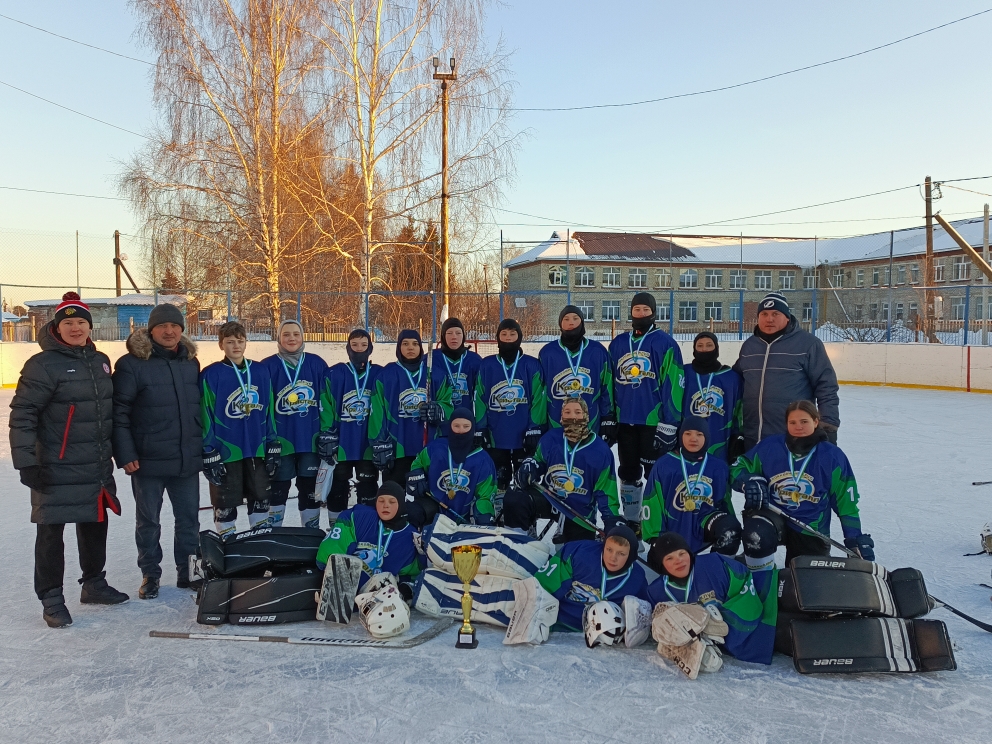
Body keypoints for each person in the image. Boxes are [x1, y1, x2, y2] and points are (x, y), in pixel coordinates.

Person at [9, 292, 128, 628]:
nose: (75, 328)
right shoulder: (42, 365)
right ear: (57, 328)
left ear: (90, 326)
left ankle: (94, 584)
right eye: (68, 323)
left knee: (95, 523)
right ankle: (51, 599)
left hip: (95, 462)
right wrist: (26, 462)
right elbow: (23, 414)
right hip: (54, 465)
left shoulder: (100, 360)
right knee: (51, 532)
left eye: (81, 322)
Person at [112, 302, 202, 600]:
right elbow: (119, 413)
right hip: (147, 460)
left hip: (185, 458)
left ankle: (189, 571)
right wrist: (125, 454)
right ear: (151, 330)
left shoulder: (190, 362)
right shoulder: (131, 364)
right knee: (148, 521)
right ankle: (150, 573)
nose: (169, 331)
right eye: (162, 326)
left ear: (182, 330)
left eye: (175, 325)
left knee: (188, 520)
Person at [730, 400, 874, 571]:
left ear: (816, 421)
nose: (798, 426)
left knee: (806, 578)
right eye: (792, 422)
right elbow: (736, 468)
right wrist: (747, 480)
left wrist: (854, 539)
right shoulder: (770, 447)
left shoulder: (832, 456)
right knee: (756, 536)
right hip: (772, 514)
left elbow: (846, 504)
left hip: (810, 526)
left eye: (804, 421)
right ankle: (763, 580)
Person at [607, 292, 684, 528]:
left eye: (646, 310)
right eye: (637, 309)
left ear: (654, 313)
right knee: (628, 472)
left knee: (655, 474)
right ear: (631, 312)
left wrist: (670, 422)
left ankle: (657, 523)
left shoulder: (665, 343)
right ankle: (632, 521)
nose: (641, 314)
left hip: (654, 422)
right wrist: (609, 417)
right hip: (625, 421)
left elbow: (674, 384)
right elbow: (608, 382)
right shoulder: (618, 343)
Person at [646, 532, 777, 665]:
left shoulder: (713, 564)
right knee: (787, 632)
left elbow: (744, 578)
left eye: (682, 553)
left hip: (767, 596)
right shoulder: (656, 593)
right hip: (759, 635)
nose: (678, 560)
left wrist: (724, 621)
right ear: (661, 564)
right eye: (669, 558)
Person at [199, 321, 280, 536]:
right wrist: (209, 449)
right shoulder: (211, 374)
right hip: (226, 450)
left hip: (257, 449)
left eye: (240, 341)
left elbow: (270, 409)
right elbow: (205, 413)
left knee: (261, 499)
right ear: (221, 345)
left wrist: (272, 441)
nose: (236, 346)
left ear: (246, 343)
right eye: (230, 342)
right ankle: (227, 545)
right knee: (225, 504)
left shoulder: (261, 371)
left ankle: (259, 545)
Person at [503, 398, 622, 541]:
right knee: (515, 498)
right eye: (567, 412)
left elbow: (606, 492)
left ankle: (566, 534)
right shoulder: (551, 438)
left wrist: (611, 519)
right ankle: (517, 543)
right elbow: (538, 460)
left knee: (575, 552)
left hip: (578, 511)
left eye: (577, 412)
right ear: (561, 416)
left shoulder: (601, 451)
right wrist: (530, 466)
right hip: (550, 498)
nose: (572, 417)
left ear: (586, 415)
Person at [733, 292, 840, 450]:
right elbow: (734, 381)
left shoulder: (808, 344)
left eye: (776, 314)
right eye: (764, 314)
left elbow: (826, 386)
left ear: (787, 317)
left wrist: (828, 426)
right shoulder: (750, 346)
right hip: (753, 437)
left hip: (792, 437)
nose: (769, 319)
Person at [641, 415, 741, 555]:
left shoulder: (718, 466)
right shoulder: (664, 465)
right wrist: (655, 537)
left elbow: (724, 501)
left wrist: (728, 525)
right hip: (671, 530)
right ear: (680, 435)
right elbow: (652, 501)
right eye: (688, 434)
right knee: (663, 562)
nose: (693, 439)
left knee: (730, 531)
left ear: (707, 437)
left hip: (704, 523)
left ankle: (719, 565)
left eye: (699, 434)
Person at [261, 320, 328, 528]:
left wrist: (327, 432)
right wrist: (268, 439)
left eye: (296, 334)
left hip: (310, 439)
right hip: (280, 441)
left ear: (303, 337)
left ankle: (310, 534)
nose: (291, 338)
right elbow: (263, 407)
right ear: (278, 338)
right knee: (278, 489)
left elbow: (327, 402)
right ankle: (274, 534)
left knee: (309, 488)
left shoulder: (316, 363)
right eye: (286, 334)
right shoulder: (267, 366)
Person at [473, 318, 547, 508]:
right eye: (504, 334)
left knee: (526, 480)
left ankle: (526, 518)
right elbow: (480, 398)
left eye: (512, 334)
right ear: (497, 337)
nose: (508, 338)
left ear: (519, 337)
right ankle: (499, 516)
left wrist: (534, 427)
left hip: (524, 436)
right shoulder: (487, 365)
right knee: (499, 480)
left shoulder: (531, 365)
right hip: (496, 436)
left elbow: (538, 398)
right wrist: (481, 427)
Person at [368, 329, 451, 484]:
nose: (410, 347)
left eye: (415, 344)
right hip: (396, 448)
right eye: (405, 344)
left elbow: (448, 404)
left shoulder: (436, 374)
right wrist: (378, 442)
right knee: (394, 494)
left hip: (427, 448)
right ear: (399, 347)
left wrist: (438, 410)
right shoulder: (386, 375)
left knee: (426, 495)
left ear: (420, 347)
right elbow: (377, 413)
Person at [315, 481, 423, 598]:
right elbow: (331, 550)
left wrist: (404, 588)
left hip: (382, 597)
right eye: (381, 501)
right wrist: (332, 577)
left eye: (392, 502)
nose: (385, 505)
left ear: (401, 504)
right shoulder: (359, 517)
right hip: (347, 590)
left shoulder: (409, 536)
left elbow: (412, 575)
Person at [535, 524, 648, 632]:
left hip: (605, 635)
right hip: (557, 625)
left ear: (631, 556)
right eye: (609, 549)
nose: (613, 558)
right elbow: (541, 589)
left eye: (621, 553)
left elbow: (640, 619)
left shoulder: (637, 580)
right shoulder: (578, 553)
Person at [319, 329, 381, 518]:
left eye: (363, 345)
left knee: (368, 486)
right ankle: (337, 527)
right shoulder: (334, 373)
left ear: (370, 348)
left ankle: (364, 525)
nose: (359, 349)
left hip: (367, 444)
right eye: (354, 345)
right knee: (338, 485)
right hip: (341, 442)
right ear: (348, 348)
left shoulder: (379, 373)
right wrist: (327, 432)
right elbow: (326, 404)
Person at [404, 407, 497, 528]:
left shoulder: (482, 459)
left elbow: (485, 495)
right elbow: (418, 463)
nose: (461, 431)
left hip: (466, 515)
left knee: (483, 520)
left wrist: (484, 515)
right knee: (411, 511)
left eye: (466, 426)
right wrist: (416, 474)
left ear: (473, 428)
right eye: (456, 426)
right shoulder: (435, 448)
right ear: (450, 426)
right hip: (434, 507)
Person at [538, 305, 613, 434]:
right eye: (566, 319)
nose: (571, 322)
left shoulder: (598, 351)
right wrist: (539, 423)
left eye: (575, 318)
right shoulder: (547, 353)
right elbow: (540, 392)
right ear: (560, 324)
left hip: (591, 423)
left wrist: (608, 417)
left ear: (582, 322)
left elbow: (607, 386)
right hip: (556, 423)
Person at [682, 332, 744, 462]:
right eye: (700, 346)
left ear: (716, 348)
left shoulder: (731, 378)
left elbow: (739, 411)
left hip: (720, 440)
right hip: (688, 439)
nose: (704, 349)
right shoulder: (684, 373)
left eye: (709, 345)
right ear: (694, 349)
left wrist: (738, 435)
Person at [429, 317, 482, 430]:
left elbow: (481, 395)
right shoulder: (431, 359)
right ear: (443, 336)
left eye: (458, 333)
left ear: (463, 336)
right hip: (438, 426)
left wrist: (480, 425)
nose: (454, 337)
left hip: (465, 424)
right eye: (449, 333)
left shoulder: (474, 360)